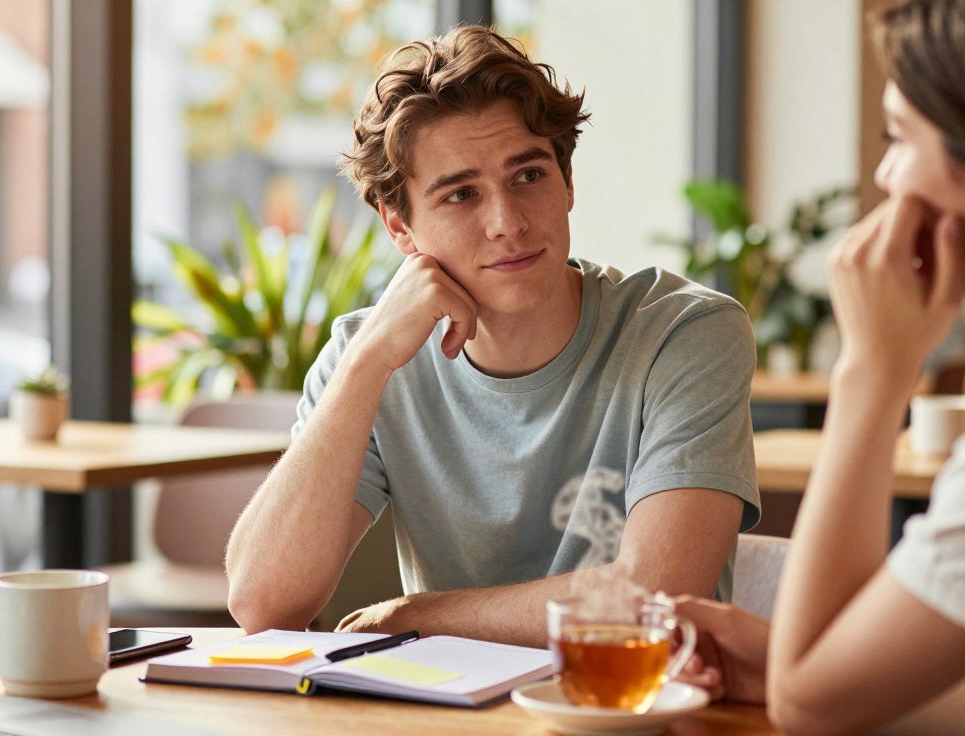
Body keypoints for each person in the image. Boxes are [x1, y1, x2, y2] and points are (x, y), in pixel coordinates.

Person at [224, 25, 761, 647]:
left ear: (566, 185)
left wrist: (412, 617)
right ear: (401, 229)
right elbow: (262, 604)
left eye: (528, 176)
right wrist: (366, 363)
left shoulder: (684, 331)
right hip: (451, 712)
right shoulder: (364, 355)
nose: (507, 222)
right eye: (460, 195)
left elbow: (654, 599)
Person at [674, 1, 965, 733]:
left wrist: (874, 371)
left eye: (897, 136)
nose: (885, 175)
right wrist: (823, 663)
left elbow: (811, 710)